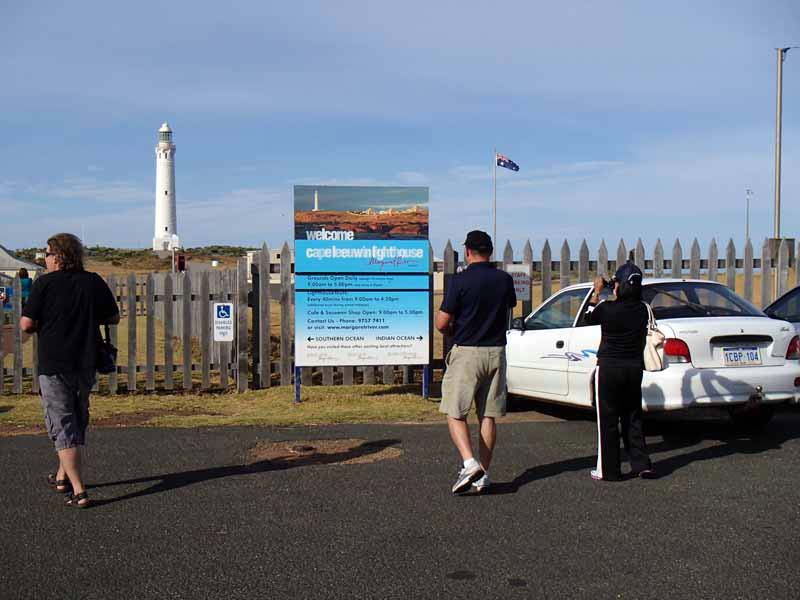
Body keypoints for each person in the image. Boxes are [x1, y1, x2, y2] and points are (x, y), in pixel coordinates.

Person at [19, 233, 119, 508]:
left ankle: (79, 490)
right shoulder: (93, 281)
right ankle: (62, 477)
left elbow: (26, 324)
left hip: (54, 361)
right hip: (86, 359)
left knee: (61, 421)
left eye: (47, 254)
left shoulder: (44, 284)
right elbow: (113, 317)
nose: (45, 259)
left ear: (60, 255)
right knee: (77, 415)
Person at [436, 230, 516, 494]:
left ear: (468, 251)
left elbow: (442, 323)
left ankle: (470, 463)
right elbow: (509, 307)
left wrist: (453, 328)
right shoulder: (504, 280)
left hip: (468, 352)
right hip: (496, 351)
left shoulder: (460, 281)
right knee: (488, 414)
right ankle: (483, 474)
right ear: (490, 252)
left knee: (455, 411)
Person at [585, 260, 655, 481]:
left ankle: (609, 470)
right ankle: (641, 464)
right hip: (633, 368)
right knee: (633, 417)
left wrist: (597, 291)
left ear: (620, 286)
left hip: (608, 368)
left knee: (607, 420)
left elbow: (588, 316)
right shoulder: (643, 309)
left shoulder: (607, 308)